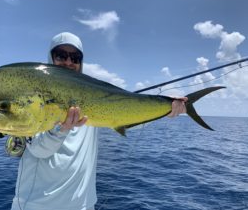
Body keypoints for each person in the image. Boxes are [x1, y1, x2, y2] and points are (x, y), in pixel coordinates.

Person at [11, 32, 187, 210]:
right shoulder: (33, 97)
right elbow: (40, 149)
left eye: (75, 57)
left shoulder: (90, 97)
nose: (68, 62)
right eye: (61, 56)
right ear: (50, 58)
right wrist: (61, 129)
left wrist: (166, 108)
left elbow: (125, 115)